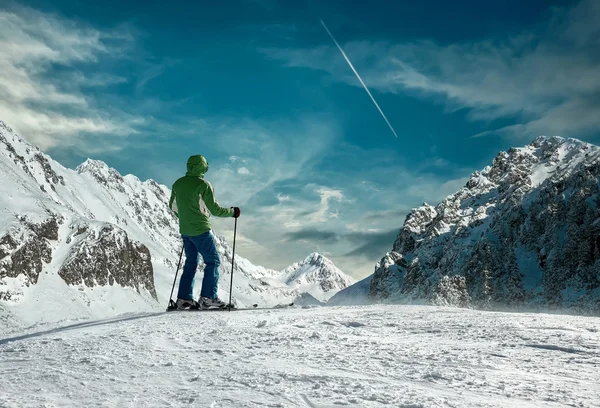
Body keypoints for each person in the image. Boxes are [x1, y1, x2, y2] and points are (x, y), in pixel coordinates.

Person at [169, 154, 241, 310]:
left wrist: (186, 217)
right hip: (201, 229)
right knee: (212, 261)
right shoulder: (203, 185)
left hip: (185, 230)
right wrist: (232, 212)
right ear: (202, 167)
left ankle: (184, 299)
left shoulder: (178, 184)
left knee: (191, 262)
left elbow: (173, 207)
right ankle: (208, 298)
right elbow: (215, 210)